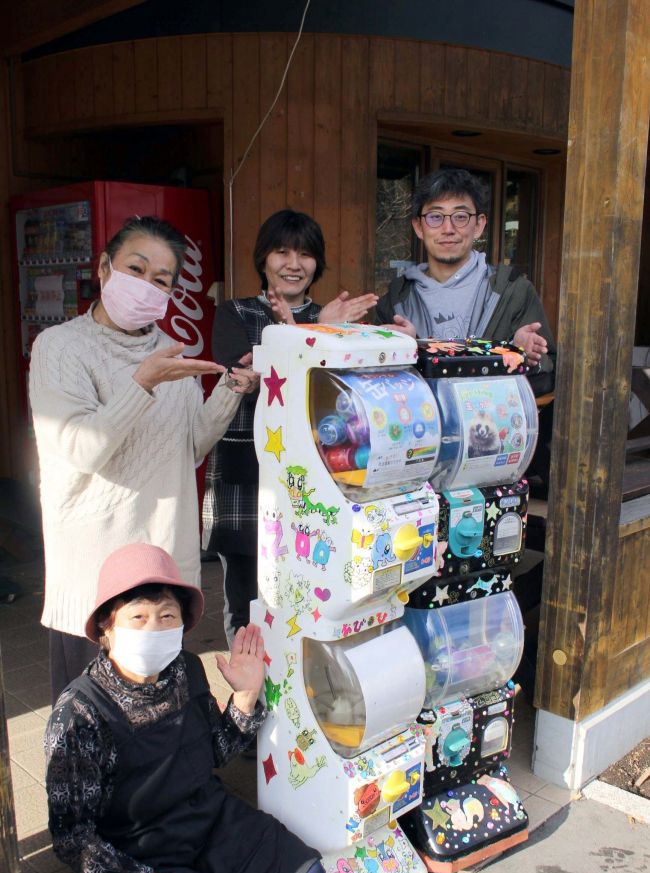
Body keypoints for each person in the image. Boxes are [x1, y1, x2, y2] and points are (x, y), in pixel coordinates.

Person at [44, 542, 325, 873]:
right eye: (138, 617)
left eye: (167, 616)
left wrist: (246, 696)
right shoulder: (78, 712)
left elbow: (213, 751)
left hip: (208, 821)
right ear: (106, 627)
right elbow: (72, 840)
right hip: (140, 856)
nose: (155, 629)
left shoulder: (186, 669)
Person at [29, 216, 257, 704]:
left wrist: (233, 388)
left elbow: (190, 445)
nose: (146, 286)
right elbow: (81, 449)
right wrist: (142, 383)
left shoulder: (169, 351)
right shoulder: (59, 347)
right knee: (90, 730)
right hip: (96, 574)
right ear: (105, 269)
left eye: (161, 280)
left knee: (156, 725)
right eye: (135, 269)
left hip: (161, 568)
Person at [202, 208, 377, 645]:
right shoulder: (235, 312)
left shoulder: (332, 317)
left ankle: (300, 693)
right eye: (282, 252)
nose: (294, 264)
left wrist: (320, 328)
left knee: (308, 585)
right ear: (263, 259)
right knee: (244, 598)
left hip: (314, 475)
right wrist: (310, 333)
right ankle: (249, 701)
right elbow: (244, 372)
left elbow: (344, 390)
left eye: (305, 254)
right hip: (247, 475)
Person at [375, 168, 556, 389]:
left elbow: (549, 374)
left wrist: (520, 355)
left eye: (460, 217)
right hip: (422, 423)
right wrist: (403, 349)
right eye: (435, 217)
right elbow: (375, 380)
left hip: (491, 422)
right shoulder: (396, 301)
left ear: (479, 225)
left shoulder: (513, 291)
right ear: (418, 227)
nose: (448, 229)